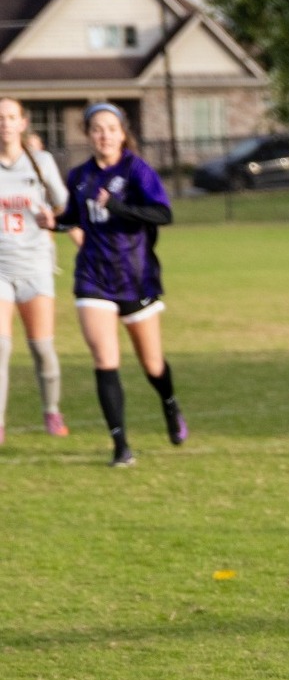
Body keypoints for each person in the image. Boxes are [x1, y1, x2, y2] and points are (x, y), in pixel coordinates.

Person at [56, 104, 181, 467]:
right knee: (105, 361)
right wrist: (54, 221)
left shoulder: (137, 170)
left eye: (111, 128)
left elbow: (163, 214)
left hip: (135, 277)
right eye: (97, 129)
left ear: (122, 133)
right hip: (93, 277)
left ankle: (169, 404)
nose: (104, 135)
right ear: (88, 134)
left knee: (153, 364)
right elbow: (73, 218)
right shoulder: (79, 176)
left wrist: (121, 208)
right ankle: (121, 446)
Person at [0, 96, 69, 444]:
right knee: (0, 347)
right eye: (0, 117)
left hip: (35, 264)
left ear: (22, 123)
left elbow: (63, 203)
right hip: (0, 267)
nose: (6, 123)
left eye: (12, 117)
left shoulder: (40, 162)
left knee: (41, 346)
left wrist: (54, 220)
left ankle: (52, 410)